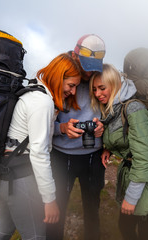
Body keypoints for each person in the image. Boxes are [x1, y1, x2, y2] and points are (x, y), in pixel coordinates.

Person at [0, 53, 81, 240]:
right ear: (58, 77)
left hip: (8, 174)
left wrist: (61, 127)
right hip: (21, 177)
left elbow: (30, 132)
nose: (73, 92)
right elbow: (39, 153)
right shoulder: (42, 102)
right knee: (36, 236)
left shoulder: (34, 92)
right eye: (71, 85)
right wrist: (50, 200)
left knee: (3, 231)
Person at [89, 64, 148, 240]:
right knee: (126, 228)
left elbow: (145, 158)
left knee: (147, 234)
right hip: (134, 178)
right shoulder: (116, 108)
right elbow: (125, 138)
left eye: (102, 88)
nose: (97, 94)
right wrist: (108, 149)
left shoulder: (134, 109)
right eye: (94, 89)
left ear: (115, 84)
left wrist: (131, 198)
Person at [46, 34, 106, 240]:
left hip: (93, 157)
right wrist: (61, 128)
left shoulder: (101, 78)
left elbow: (114, 112)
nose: (89, 72)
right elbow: (40, 124)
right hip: (62, 157)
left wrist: (104, 128)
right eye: (86, 65)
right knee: (57, 209)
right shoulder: (59, 79)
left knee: (92, 209)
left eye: (95, 66)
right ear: (74, 55)